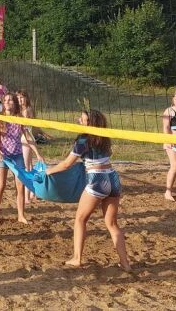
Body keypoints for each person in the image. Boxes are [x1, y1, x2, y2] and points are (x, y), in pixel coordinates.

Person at [45, 109, 130, 270]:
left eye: (82, 119)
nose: (79, 121)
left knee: (80, 219)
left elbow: (66, 164)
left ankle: (77, 258)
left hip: (97, 180)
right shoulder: (105, 137)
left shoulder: (83, 140)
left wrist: (49, 171)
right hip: (113, 178)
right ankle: (125, 264)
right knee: (112, 224)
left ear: (90, 124)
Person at [0, 93, 42, 225]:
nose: (8, 102)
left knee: (20, 186)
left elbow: (28, 137)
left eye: (11, 100)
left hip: (17, 155)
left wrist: (37, 153)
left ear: (15, 103)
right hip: (3, 154)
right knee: (1, 185)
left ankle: (21, 216)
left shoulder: (19, 118)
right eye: (6, 100)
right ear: (3, 103)